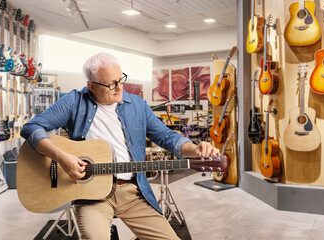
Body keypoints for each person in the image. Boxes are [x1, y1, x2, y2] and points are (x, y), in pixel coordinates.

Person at [21, 53, 220, 240]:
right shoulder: (74, 101)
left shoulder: (137, 105)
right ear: (91, 86)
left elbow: (167, 137)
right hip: (91, 197)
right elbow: (31, 128)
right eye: (111, 84)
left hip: (132, 193)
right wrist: (62, 158)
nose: (119, 88)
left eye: (121, 79)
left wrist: (194, 149)